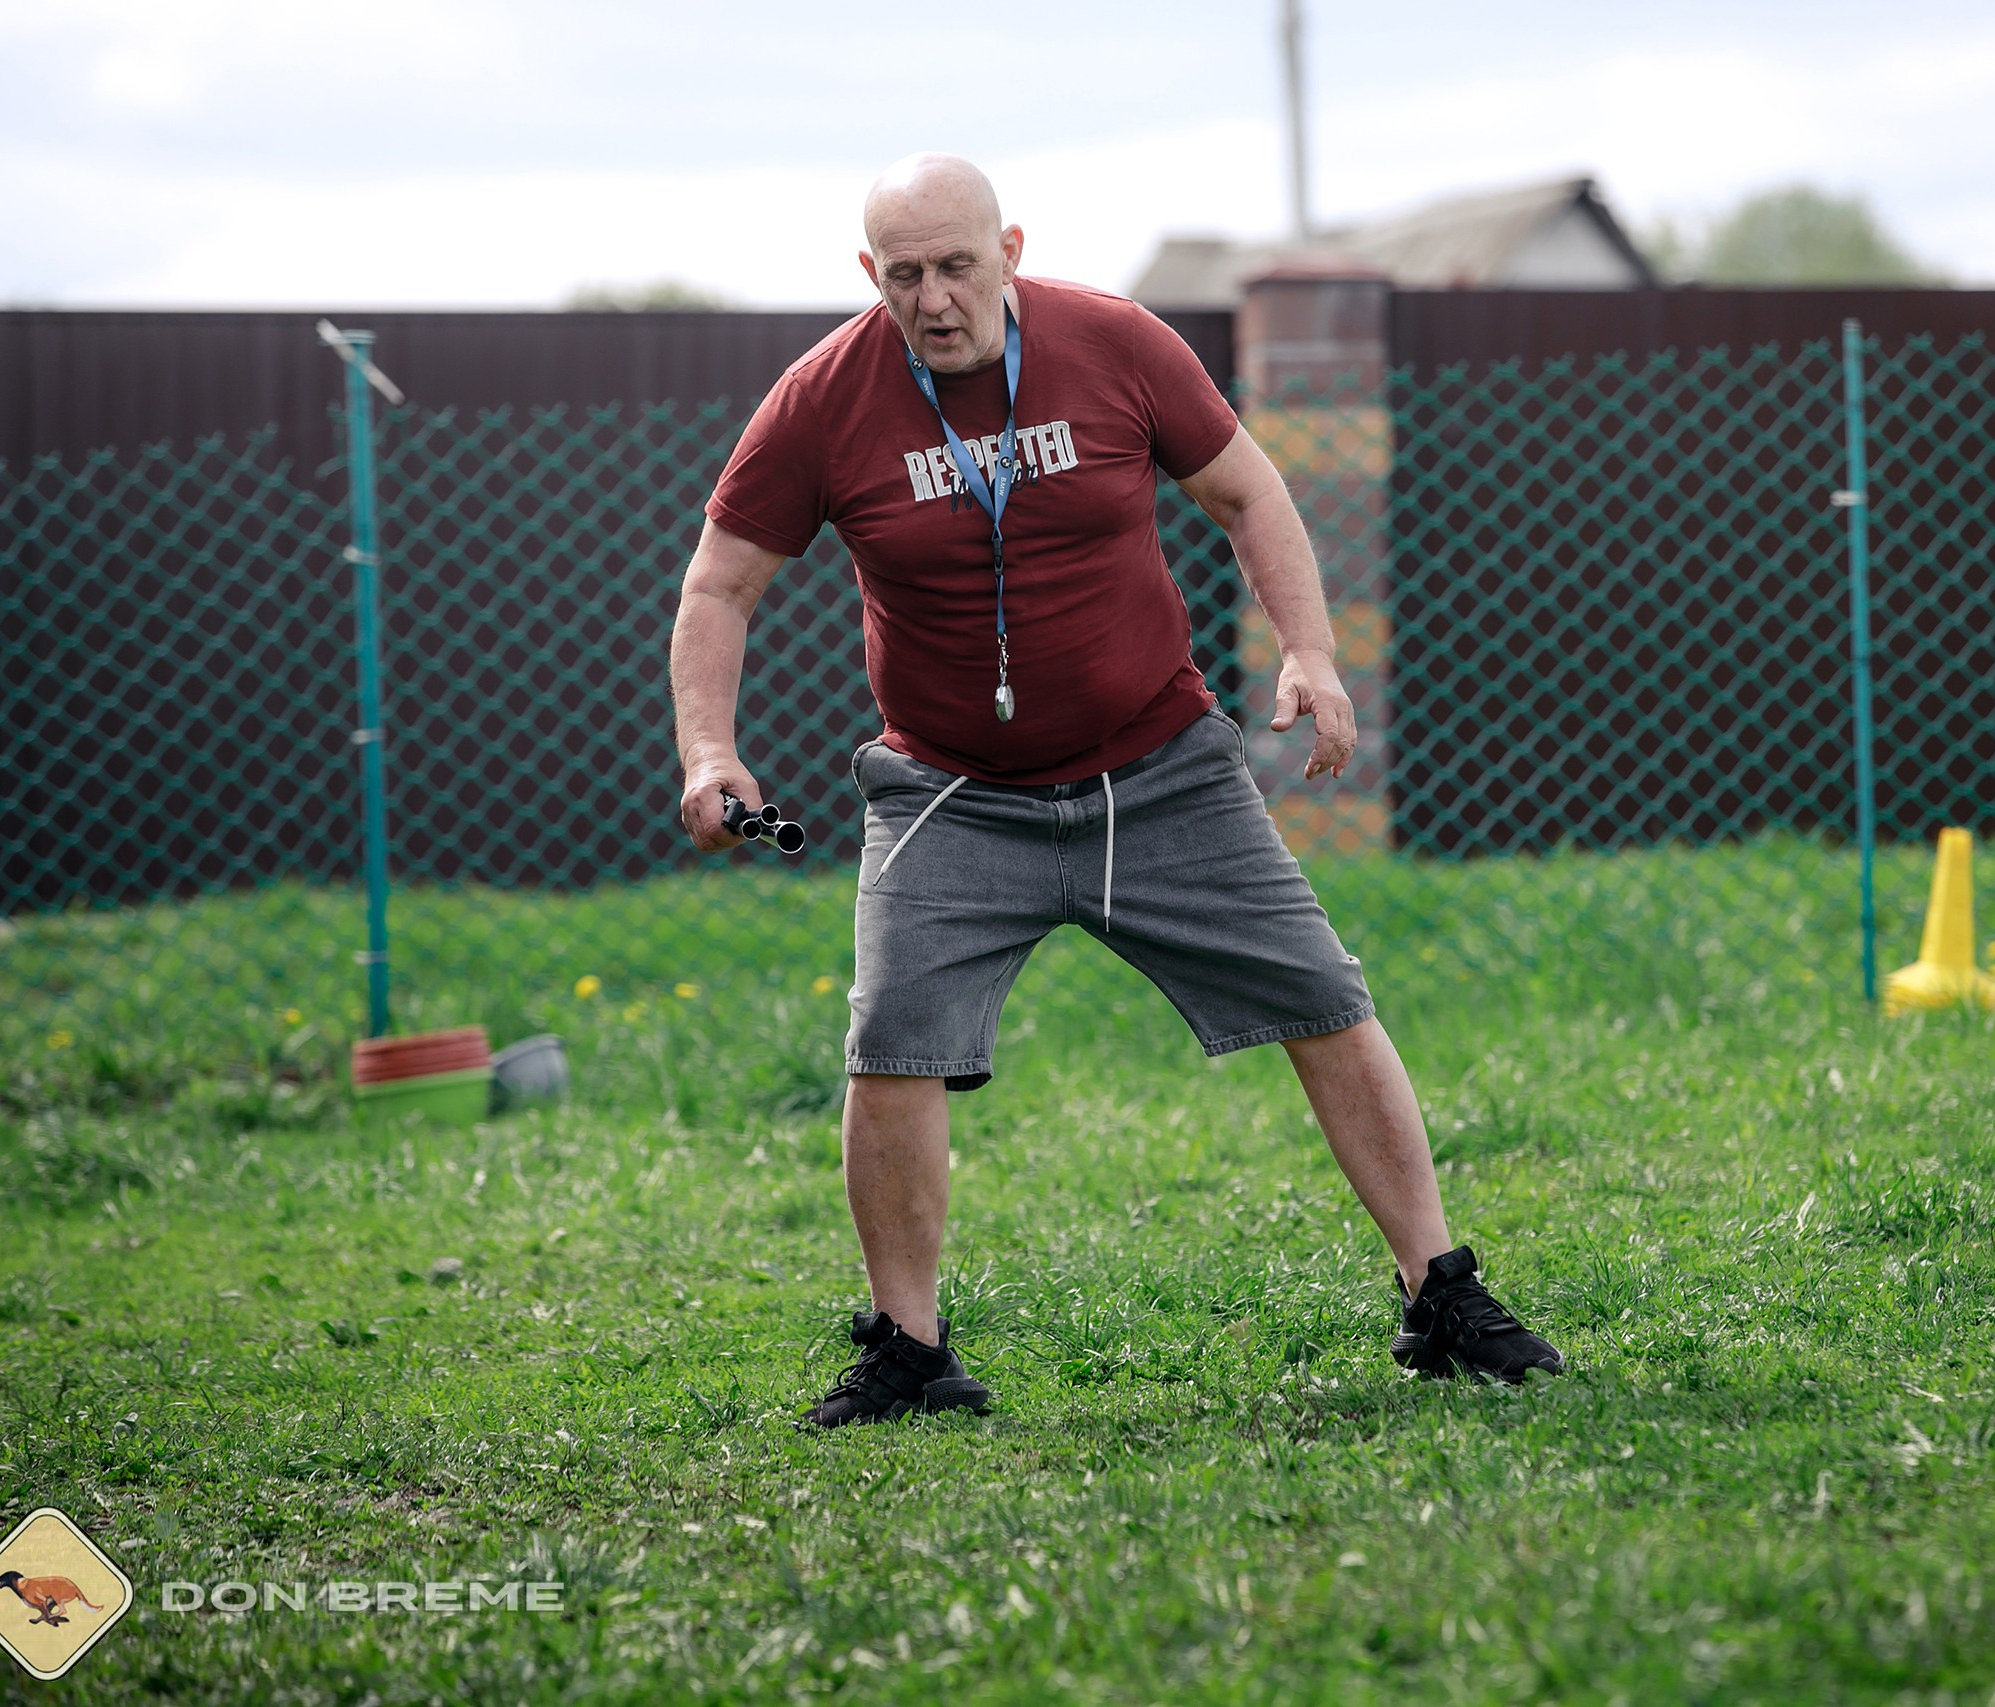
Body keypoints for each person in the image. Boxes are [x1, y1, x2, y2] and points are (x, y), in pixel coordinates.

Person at [667, 154, 1561, 1427]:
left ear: (1010, 248)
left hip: (1160, 769)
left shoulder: (1117, 345)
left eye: (957, 264)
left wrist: (1309, 650)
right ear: (871, 276)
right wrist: (710, 751)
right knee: (891, 1044)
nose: (933, 297)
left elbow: (1246, 491)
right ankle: (908, 1349)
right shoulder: (821, 400)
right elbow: (720, 583)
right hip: (949, 790)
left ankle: (1440, 1289)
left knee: (1324, 997)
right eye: (904, 274)